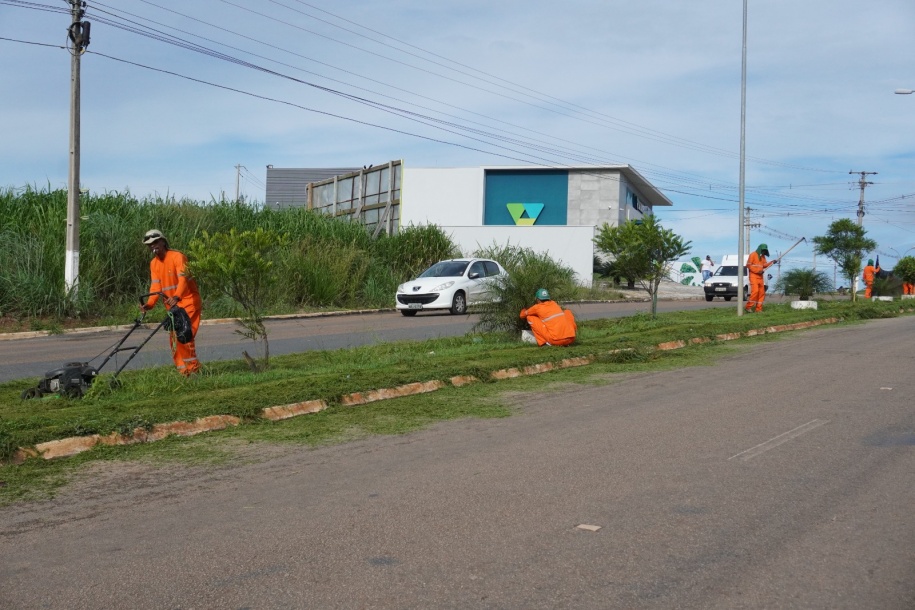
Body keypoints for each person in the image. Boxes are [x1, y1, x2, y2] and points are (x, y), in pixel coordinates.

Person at [140, 229, 202, 376]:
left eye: (155, 242)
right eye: (149, 245)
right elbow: (156, 287)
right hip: (173, 307)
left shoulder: (177, 257)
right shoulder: (154, 264)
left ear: (163, 242)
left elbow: (183, 279)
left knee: (184, 336)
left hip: (188, 302)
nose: (153, 246)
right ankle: (183, 372)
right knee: (174, 339)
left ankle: (193, 370)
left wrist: (177, 296)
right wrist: (149, 304)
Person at [745, 243, 777, 313]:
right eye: (763, 250)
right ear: (760, 249)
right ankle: (748, 307)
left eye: (765, 251)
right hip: (753, 276)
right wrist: (758, 271)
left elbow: (764, 265)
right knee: (755, 291)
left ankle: (758, 309)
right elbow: (748, 265)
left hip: (760, 277)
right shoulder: (753, 254)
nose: (764, 252)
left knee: (761, 293)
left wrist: (772, 262)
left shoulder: (763, 257)